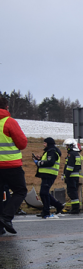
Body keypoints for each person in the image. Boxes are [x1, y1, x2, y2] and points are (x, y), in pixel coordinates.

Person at [0, 96, 28, 234]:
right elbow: (22, 144)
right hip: (11, 165)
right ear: (6, 107)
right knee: (20, 191)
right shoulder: (9, 122)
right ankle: (6, 217)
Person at [33, 137, 65, 218]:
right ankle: (57, 206)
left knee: (43, 193)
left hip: (49, 174)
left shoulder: (51, 151)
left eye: (45, 143)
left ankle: (46, 211)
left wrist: (39, 163)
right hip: (47, 174)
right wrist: (39, 159)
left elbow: (50, 162)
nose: (43, 145)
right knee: (45, 192)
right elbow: (48, 160)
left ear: (48, 143)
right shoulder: (50, 151)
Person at [62, 139, 83, 214]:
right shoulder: (77, 154)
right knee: (74, 192)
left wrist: (65, 175)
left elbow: (69, 167)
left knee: (71, 192)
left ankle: (75, 209)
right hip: (76, 176)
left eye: (67, 146)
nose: (66, 147)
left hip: (71, 176)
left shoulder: (71, 154)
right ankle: (75, 208)